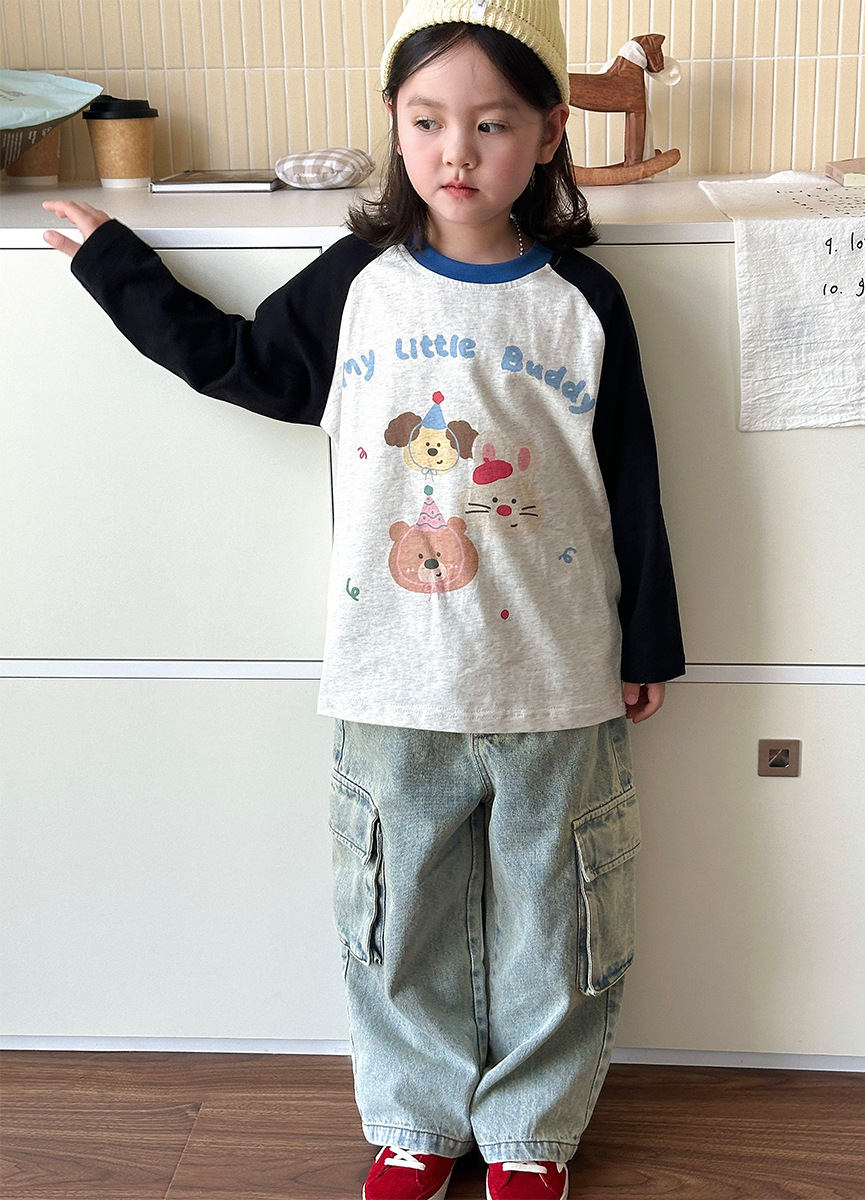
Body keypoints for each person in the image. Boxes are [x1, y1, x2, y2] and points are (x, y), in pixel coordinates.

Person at [43, 3, 684, 1197]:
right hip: (391, 671)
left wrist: (650, 639)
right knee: (396, 911)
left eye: (492, 124)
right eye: (427, 121)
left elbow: (633, 480)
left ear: (549, 134)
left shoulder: (584, 300)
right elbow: (244, 363)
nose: (456, 152)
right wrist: (114, 266)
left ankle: (532, 1132)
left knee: (559, 919)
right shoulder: (359, 284)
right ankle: (416, 1119)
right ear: (394, 125)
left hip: (559, 676)